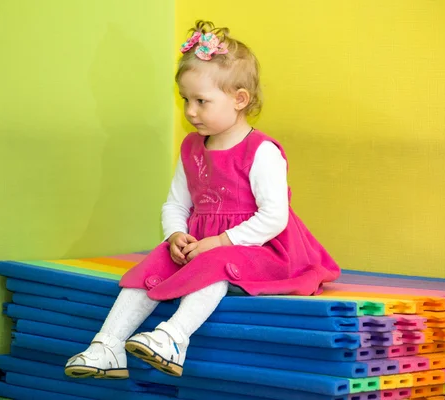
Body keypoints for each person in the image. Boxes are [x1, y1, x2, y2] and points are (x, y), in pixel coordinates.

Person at [65, 20, 340, 379]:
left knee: (216, 263)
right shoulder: (192, 148)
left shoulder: (260, 152)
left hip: (265, 249)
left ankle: (174, 338)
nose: (190, 112)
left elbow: (275, 216)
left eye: (201, 101)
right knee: (155, 262)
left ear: (239, 100)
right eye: (185, 100)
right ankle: (108, 345)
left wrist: (222, 241)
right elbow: (176, 203)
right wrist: (176, 234)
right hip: (205, 244)